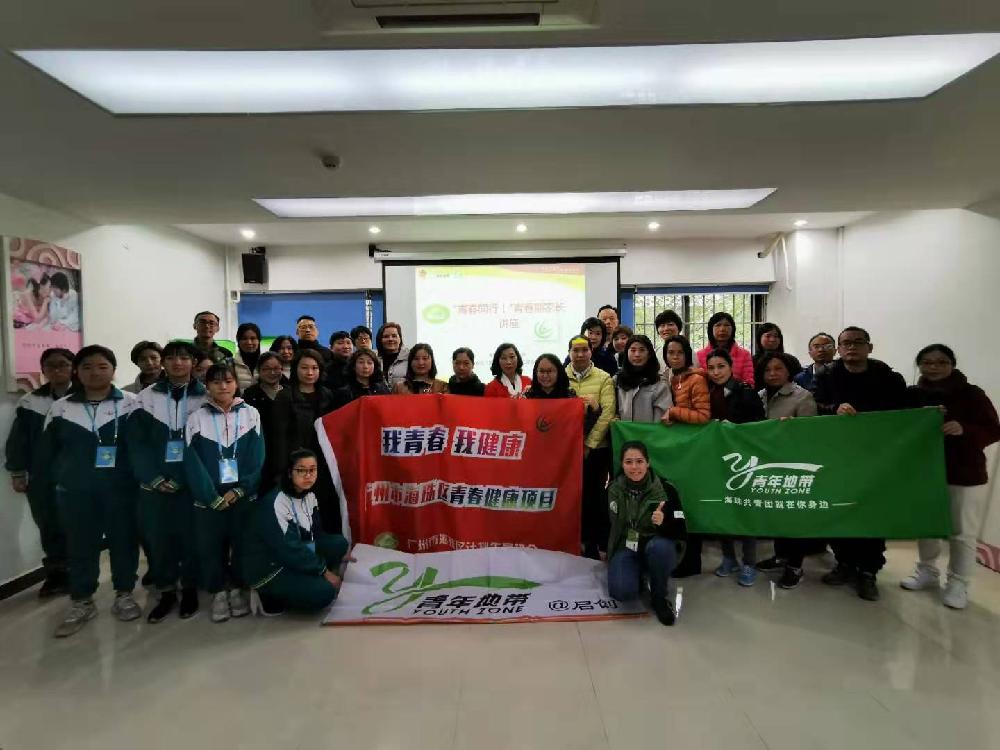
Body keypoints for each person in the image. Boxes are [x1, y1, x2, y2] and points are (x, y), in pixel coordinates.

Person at [38, 346, 140, 637]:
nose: (95, 373)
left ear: (113, 370)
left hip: (121, 490)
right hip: (76, 492)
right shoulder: (61, 408)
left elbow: (142, 447)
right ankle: (82, 600)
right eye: (87, 367)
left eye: (102, 366)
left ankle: (124, 593)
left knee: (124, 541)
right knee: (80, 545)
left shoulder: (131, 404)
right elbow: (47, 454)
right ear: (77, 371)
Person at [900, 344, 1000, 609]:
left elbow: (993, 429)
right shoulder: (913, 394)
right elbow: (898, 425)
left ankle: (958, 582)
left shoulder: (972, 394)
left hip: (964, 473)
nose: (933, 367)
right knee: (926, 525)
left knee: (962, 532)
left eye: (941, 362)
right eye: (927, 362)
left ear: (952, 364)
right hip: (924, 472)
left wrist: (964, 428)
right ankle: (927, 571)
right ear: (919, 365)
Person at [814, 326, 907, 601]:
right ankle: (844, 563)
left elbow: (904, 413)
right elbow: (815, 406)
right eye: (846, 343)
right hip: (837, 456)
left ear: (870, 347)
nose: (851, 347)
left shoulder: (889, 378)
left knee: (871, 513)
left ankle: (868, 571)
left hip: (876, 457)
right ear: (839, 349)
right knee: (839, 510)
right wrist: (834, 409)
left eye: (858, 342)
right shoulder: (827, 377)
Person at [126, 341, 206, 622]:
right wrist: (154, 477)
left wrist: (194, 479)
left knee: (191, 539)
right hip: (155, 486)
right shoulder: (146, 398)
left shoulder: (206, 396)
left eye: (184, 357)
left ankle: (190, 589)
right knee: (159, 540)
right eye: (171, 358)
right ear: (163, 362)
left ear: (193, 362)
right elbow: (136, 445)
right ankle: (166, 591)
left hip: (192, 484)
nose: (177, 363)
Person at [183, 363, 264, 623]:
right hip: (209, 500)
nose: (223, 386)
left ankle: (237, 588)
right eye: (216, 382)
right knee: (210, 547)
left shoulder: (251, 414)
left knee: (241, 543)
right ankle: (218, 591)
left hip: (242, 496)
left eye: (228, 381)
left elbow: (257, 457)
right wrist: (210, 496)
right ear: (207, 386)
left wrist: (241, 489)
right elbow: (192, 461)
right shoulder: (196, 418)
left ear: (236, 384)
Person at [243, 449, 352, 615]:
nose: (308, 476)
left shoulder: (309, 496)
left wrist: (340, 555)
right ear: (289, 473)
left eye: (312, 470)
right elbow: (288, 549)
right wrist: (324, 571)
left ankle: (305, 578)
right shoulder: (276, 502)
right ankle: (267, 595)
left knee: (339, 544)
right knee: (324, 592)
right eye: (301, 470)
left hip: (294, 553)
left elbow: (316, 535)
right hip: (271, 566)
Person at [4, 348, 75, 597]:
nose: (57, 370)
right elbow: (18, 440)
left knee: (77, 524)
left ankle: (79, 572)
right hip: (42, 476)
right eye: (50, 365)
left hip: (78, 473)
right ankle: (57, 575)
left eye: (63, 364)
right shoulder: (31, 401)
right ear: (43, 370)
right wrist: (17, 472)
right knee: (49, 525)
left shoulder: (86, 396)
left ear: (73, 368)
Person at [704, 348, 766, 585]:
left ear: (731, 367)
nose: (716, 372)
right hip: (717, 459)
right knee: (723, 508)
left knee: (745, 509)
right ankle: (728, 558)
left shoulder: (745, 392)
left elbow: (760, 426)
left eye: (721, 366)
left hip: (743, 460)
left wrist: (736, 429)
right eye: (711, 368)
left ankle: (749, 563)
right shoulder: (708, 391)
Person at [606, 441, 685, 626]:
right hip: (627, 546)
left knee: (660, 548)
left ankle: (659, 597)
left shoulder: (666, 489)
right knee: (622, 592)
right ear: (622, 464)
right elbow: (606, 522)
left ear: (648, 463)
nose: (634, 467)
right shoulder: (613, 489)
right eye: (629, 462)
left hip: (655, 545)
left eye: (639, 461)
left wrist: (664, 523)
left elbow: (681, 530)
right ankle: (640, 573)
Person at [271, 349, 340, 532]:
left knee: (323, 512)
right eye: (304, 368)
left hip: (324, 464)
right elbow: (279, 437)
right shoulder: (285, 396)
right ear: (295, 369)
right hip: (296, 463)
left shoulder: (327, 395)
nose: (310, 373)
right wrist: (283, 468)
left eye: (314, 368)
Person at [566, 335, 616, 558]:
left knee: (594, 497)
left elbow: (607, 414)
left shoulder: (604, 378)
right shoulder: (561, 376)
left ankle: (593, 545)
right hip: (567, 451)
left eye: (584, 350)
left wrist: (588, 444)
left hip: (596, 450)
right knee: (570, 497)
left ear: (591, 351)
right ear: (569, 353)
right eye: (575, 350)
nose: (580, 354)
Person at [240, 352, 286, 495]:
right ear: (258, 371)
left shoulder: (290, 393)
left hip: (284, 452)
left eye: (276, 368)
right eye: (266, 369)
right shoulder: (249, 395)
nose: (272, 373)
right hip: (259, 451)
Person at [615, 334, 672, 423]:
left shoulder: (659, 383)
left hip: (649, 432)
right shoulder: (617, 380)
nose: (637, 354)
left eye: (642, 350)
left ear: (649, 354)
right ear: (626, 353)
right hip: (622, 431)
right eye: (633, 350)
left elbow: (661, 419)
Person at [695, 312, 753, 386]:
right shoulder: (699, 355)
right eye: (718, 325)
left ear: (733, 329)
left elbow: (749, 383)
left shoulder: (744, 354)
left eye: (727, 325)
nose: (722, 329)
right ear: (710, 329)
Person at [663, 335, 711, 425]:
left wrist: (673, 412)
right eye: (671, 352)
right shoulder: (671, 378)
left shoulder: (697, 380)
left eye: (680, 352)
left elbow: (704, 416)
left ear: (687, 355)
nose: (675, 357)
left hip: (693, 432)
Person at [760, 352, 818, 419]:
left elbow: (809, 424)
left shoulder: (803, 396)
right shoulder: (760, 395)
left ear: (788, 371)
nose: (772, 373)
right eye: (767, 370)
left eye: (778, 368)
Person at [753, 323, 801, 391]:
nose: (772, 339)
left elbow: (798, 381)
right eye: (768, 336)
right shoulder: (751, 361)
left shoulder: (791, 360)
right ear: (759, 338)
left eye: (776, 336)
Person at [375, 322, 410, 388]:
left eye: (394, 336)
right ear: (380, 340)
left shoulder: (410, 357)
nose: (390, 339)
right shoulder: (373, 358)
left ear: (400, 339)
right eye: (386, 336)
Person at [232, 322, 263, 392]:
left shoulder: (266, 362)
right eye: (244, 338)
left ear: (259, 340)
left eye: (253, 338)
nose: (249, 342)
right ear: (238, 341)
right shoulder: (230, 364)